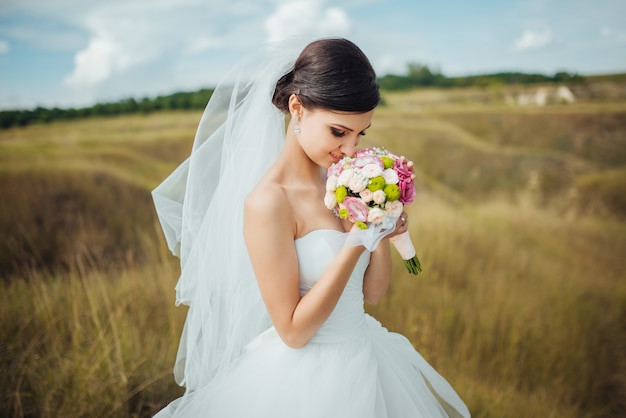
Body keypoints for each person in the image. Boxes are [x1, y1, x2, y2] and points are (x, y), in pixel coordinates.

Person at [152, 37, 470, 418]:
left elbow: (374, 294)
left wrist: (381, 227)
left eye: (360, 133)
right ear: (297, 108)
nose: (351, 149)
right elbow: (293, 332)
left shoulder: (344, 182)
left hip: (368, 356)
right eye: (339, 132)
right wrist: (356, 242)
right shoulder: (268, 202)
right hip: (310, 380)